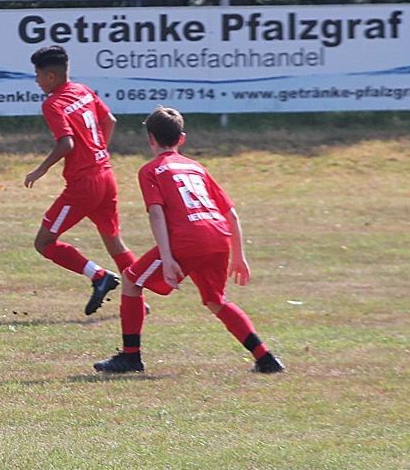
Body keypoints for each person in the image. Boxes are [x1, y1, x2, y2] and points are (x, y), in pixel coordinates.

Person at [95, 107, 285, 375]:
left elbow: (157, 214)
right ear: (181, 138)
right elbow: (230, 213)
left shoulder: (151, 169)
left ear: (150, 139)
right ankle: (266, 358)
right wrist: (239, 256)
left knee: (131, 279)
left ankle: (130, 357)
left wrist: (169, 257)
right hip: (219, 237)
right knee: (216, 300)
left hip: (188, 239)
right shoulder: (196, 167)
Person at [23, 45, 136, 315]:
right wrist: (99, 152)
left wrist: (41, 169)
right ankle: (137, 300)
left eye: (37, 74)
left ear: (51, 76)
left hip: (84, 185)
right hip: (106, 176)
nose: (36, 80)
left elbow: (66, 143)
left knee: (44, 243)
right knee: (114, 242)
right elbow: (109, 119)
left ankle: (98, 276)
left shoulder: (52, 103)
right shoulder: (82, 90)